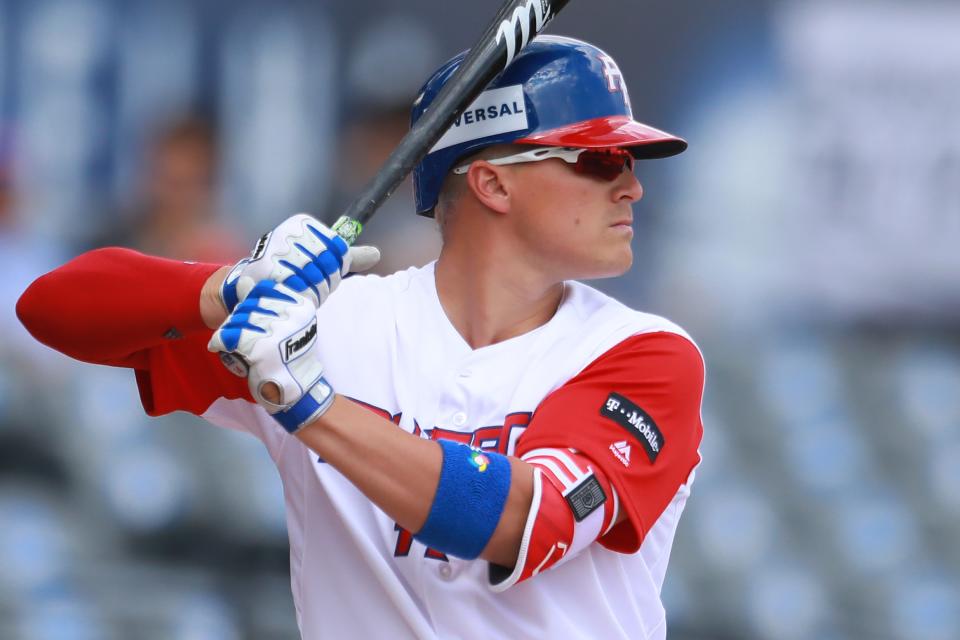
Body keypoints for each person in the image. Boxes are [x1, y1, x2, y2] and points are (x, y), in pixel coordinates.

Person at [17, 36, 703, 640]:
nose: (632, 188)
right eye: (601, 160)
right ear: (493, 183)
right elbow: (52, 308)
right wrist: (233, 285)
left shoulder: (643, 354)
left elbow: (525, 519)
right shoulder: (333, 325)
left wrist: (310, 406)